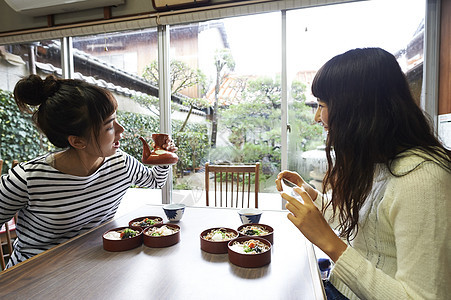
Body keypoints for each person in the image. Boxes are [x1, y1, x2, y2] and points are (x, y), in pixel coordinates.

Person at [276, 48, 451, 299]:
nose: (317, 117)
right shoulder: (381, 161)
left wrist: (331, 245)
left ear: (357, 110)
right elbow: (365, 226)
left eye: (322, 105)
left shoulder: (423, 180)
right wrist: (312, 196)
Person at [0, 74, 176, 269]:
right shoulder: (27, 179)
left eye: (116, 120)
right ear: (77, 141)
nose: (121, 129)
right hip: (31, 278)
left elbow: (154, 181)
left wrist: (164, 158)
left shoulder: (120, 163)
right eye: (109, 126)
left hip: (90, 269)